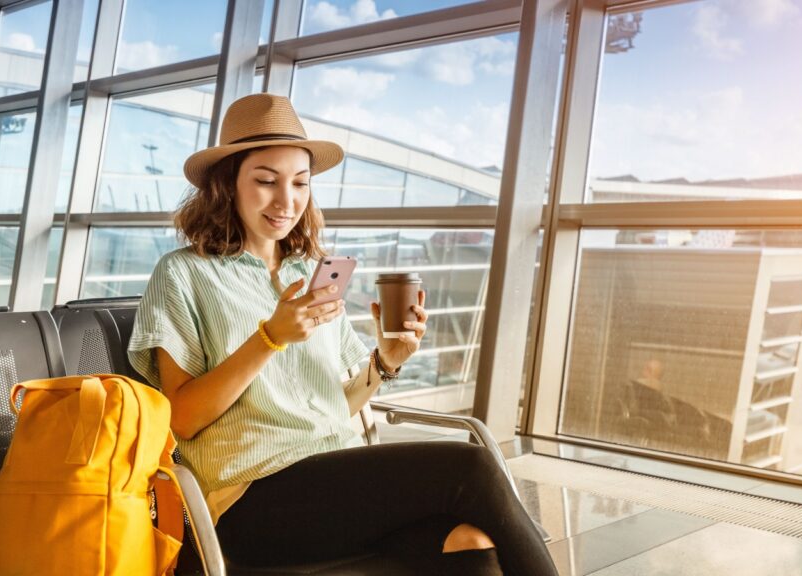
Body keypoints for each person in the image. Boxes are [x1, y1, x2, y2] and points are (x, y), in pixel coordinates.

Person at [127, 93, 557, 576]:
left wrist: (385, 363)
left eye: (300, 183)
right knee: (470, 469)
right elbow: (182, 418)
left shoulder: (309, 271)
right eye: (266, 181)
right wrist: (268, 338)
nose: (286, 201)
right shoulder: (183, 274)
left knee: (469, 542)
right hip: (250, 501)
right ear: (227, 185)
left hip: (331, 481)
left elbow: (329, 406)